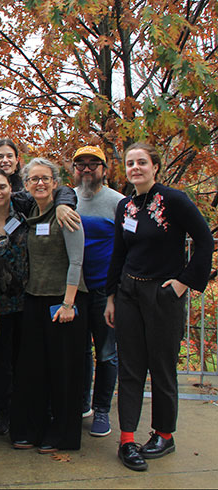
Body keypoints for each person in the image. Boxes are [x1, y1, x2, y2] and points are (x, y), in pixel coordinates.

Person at [104, 143, 212, 472]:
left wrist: (184, 282)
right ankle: (126, 439)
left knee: (162, 367)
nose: (135, 168)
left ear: (155, 166)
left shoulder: (174, 201)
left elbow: (205, 239)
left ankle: (164, 434)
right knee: (131, 367)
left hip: (163, 294)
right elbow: (119, 253)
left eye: (142, 162)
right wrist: (111, 296)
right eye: (130, 163)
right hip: (129, 294)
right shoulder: (125, 206)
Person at [0, 168, 79, 440]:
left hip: (28, 300)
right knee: (1, 363)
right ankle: (4, 411)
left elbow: (62, 190)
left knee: (27, 361)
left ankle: (31, 412)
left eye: (2, 186)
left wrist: (62, 206)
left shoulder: (24, 207)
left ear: (11, 188)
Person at [9, 158, 88, 454]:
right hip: (34, 299)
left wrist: (68, 304)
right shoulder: (31, 212)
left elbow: (76, 261)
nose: (39, 183)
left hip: (63, 303)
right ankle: (35, 428)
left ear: (55, 182)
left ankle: (63, 434)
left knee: (63, 371)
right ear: (27, 185)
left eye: (45, 178)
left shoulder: (65, 215)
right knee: (34, 369)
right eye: (33, 179)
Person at [70, 145, 123, 437]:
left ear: (105, 169)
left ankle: (102, 409)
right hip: (76, 289)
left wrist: (118, 292)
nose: (87, 169)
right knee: (80, 352)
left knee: (106, 353)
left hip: (105, 290)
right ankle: (82, 403)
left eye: (93, 164)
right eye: (81, 165)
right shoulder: (67, 199)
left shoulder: (118, 202)